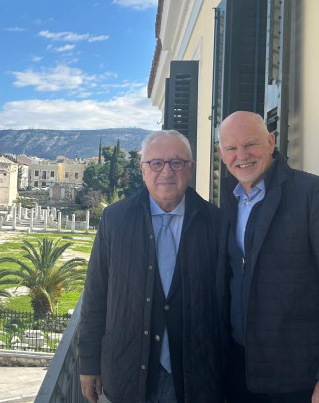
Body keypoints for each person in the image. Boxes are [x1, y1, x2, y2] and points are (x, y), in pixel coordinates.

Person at [217, 111, 319, 403]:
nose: (242, 155)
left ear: (271, 142)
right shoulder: (230, 203)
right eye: (231, 148)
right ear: (221, 153)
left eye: (250, 144)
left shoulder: (318, 196)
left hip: (300, 380)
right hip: (240, 374)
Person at [79, 130, 225, 403]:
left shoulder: (216, 223)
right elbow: (96, 294)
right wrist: (88, 363)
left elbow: (225, 303)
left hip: (195, 379)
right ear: (143, 169)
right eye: (156, 163)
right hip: (126, 372)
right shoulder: (115, 220)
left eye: (176, 163)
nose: (166, 172)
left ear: (190, 168)